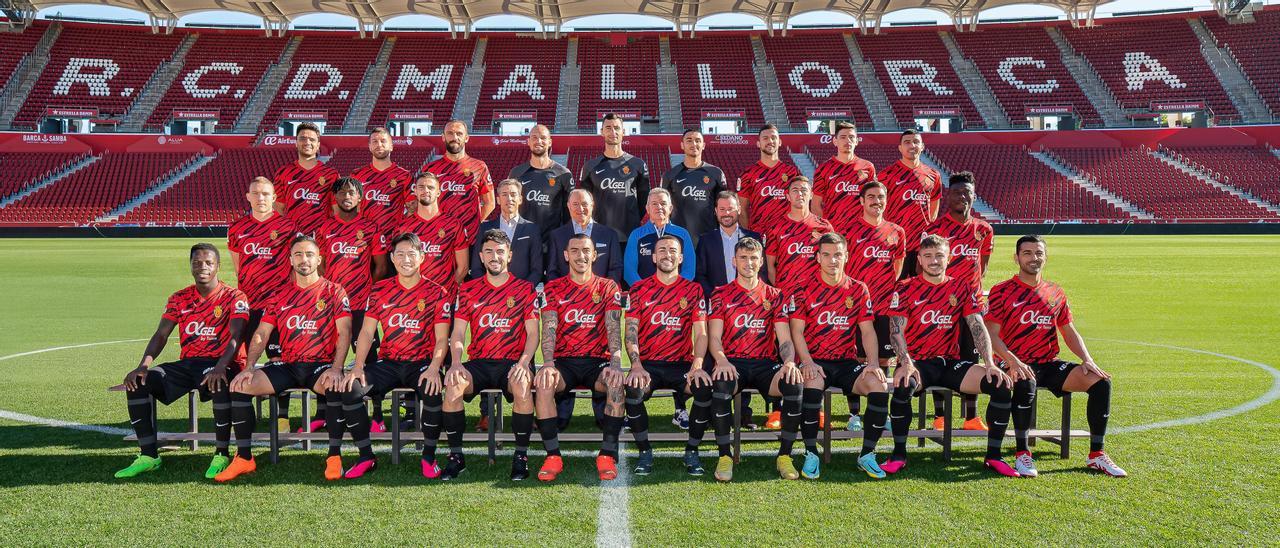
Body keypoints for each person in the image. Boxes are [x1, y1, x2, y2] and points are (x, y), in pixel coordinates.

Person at [882, 235, 1034, 478]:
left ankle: (993, 457)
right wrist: (905, 362)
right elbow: (896, 330)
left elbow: (977, 325)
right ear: (919, 259)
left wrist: (990, 364)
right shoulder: (905, 287)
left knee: (999, 384)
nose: (934, 261)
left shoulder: (961, 287)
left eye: (939, 255)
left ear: (949, 258)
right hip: (919, 362)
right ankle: (898, 454)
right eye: (928, 256)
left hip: (950, 363)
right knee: (902, 385)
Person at [985, 235, 1126, 477]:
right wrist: (1011, 361)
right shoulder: (1002, 291)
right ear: (1016, 258)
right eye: (1027, 253)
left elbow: (1069, 331)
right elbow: (991, 335)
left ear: (1045, 257)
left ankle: (1097, 455)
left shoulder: (1055, 292)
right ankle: (1022, 454)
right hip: (1014, 363)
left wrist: (1087, 360)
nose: (1034, 258)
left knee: (1101, 383)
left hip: (1048, 364)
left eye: (1038, 253)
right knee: (1025, 381)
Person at [215, 235, 353, 482]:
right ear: (290, 259)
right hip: (288, 365)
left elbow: (344, 332)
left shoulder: (334, 291)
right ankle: (244, 458)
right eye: (298, 255)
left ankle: (334, 457)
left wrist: (337, 368)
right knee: (240, 386)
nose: (304, 260)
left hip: (319, 365)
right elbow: (261, 334)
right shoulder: (280, 294)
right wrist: (247, 368)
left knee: (334, 386)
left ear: (319, 259)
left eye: (309, 254)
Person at [115, 244, 249, 480]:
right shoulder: (179, 298)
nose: (202, 267)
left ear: (218, 266)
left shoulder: (234, 296)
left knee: (218, 381)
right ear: (190, 266)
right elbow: (161, 335)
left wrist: (220, 367)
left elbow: (237, 336)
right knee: (139, 382)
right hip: (189, 363)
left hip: (222, 362)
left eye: (208, 262)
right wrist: (144, 364)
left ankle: (221, 453)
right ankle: (149, 456)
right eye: (197, 262)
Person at [336, 232, 453, 479]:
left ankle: (429, 458)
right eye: (400, 254)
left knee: (432, 389)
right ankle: (366, 457)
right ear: (391, 258)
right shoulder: (380, 290)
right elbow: (367, 332)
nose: (405, 259)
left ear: (422, 257)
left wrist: (434, 368)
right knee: (351, 388)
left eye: (411, 254)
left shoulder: (437, 292)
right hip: (389, 363)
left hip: (421, 363)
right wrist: (357, 366)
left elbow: (442, 338)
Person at [789, 233, 899, 480]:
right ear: (817, 257)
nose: (832, 260)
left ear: (847, 256)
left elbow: (868, 331)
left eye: (838, 254)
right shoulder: (803, 288)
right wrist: (806, 362)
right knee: (812, 383)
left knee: (878, 384)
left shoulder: (858, 289)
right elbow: (797, 331)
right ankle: (810, 452)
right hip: (815, 360)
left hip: (847, 363)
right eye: (826, 254)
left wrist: (872, 363)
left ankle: (867, 454)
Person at [440, 230, 541, 481]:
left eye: (499, 251)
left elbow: (532, 335)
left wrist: (523, 363)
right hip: (480, 363)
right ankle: (456, 456)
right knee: (452, 385)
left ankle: (520, 456)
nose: (494, 256)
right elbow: (459, 334)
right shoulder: (469, 290)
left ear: (509, 255)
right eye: (489, 252)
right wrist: (454, 363)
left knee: (521, 384)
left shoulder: (525, 289)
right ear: (481, 258)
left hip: (512, 362)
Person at [705, 237, 804, 482]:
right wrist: (721, 360)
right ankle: (725, 455)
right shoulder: (720, 294)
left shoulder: (775, 295)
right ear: (734, 261)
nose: (748, 263)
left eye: (753, 258)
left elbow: (784, 339)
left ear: (761, 262)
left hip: (764, 363)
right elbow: (714, 337)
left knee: (794, 384)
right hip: (733, 363)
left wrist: (789, 362)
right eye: (743, 258)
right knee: (721, 385)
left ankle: (784, 455)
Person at [533, 234, 626, 482]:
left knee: (616, 383)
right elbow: (549, 328)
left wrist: (616, 364)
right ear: (566, 256)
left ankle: (607, 454)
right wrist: (548, 364)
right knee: (544, 382)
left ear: (594, 255)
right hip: (564, 362)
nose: (581, 255)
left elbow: (613, 329)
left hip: (598, 361)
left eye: (586, 250)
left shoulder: (608, 287)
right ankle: (553, 455)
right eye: (574, 251)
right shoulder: (553, 288)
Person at [622, 235, 711, 475]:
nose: (667, 255)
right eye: (662, 250)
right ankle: (644, 452)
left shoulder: (693, 290)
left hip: (682, 365)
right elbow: (630, 333)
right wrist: (636, 365)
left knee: (704, 387)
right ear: (653, 257)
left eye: (672, 250)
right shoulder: (639, 289)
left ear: (681, 258)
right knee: (633, 389)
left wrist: (698, 364)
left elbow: (701, 333)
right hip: (648, 364)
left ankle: (692, 450)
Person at [311, 177, 388, 433]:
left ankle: (376, 413)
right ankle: (323, 411)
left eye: (351, 192)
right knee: (326, 355)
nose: (346, 196)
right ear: (335, 198)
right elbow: (319, 266)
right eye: (341, 192)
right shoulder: (324, 229)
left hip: (361, 306)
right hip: (331, 306)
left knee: (369, 358)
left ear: (359, 198)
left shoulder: (371, 227)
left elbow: (380, 266)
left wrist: (366, 291)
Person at [923, 172, 995, 431]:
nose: (962, 197)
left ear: (974, 197)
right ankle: (940, 416)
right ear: (947, 196)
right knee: (939, 357)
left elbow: (982, 267)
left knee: (970, 359)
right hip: (940, 306)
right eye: (957, 193)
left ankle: (971, 417)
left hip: (971, 305)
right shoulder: (934, 231)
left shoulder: (983, 229)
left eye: (967, 193)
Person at [693, 190, 766, 429]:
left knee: (745, 356)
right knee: (716, 357)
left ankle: (743, 413)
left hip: (748, 309)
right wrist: (718, 298)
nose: (727, 213)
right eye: (722, 209)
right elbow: (700, 276)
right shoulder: (706, 239)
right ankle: (716, 412)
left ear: (738, 210)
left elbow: (761, 274)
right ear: (715, 212)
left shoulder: (754, 237)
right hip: (719, 308)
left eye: (731, 209)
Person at [227, 177, 292, 430]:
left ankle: (283, 415)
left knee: (280, 360)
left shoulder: (287, 226)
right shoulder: (237, 228)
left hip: (279, 306)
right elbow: (238, 267)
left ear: (274, 197)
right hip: (250, 304)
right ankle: (247, 415)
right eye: (256, 193)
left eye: (266, 193)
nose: (261, 198)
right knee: (246, 361)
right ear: (248, 196)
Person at [841, 181, 906, 431]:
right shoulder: (849, 229)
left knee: (883, 359)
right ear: (861, 201)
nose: (876, 201)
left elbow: (897, 268)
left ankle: (882, 411)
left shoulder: (896, 231)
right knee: (857, 356)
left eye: (881, 196)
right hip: (856, 306)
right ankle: (854, 414)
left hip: (884, 306)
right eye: (871, 197)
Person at [877, 129, 941, 278]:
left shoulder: (933, 175)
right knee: (894, 287)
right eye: (907, 142)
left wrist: (926, 231)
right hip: (894, 242)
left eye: (916, 142)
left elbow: (934, 207)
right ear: (900, 147)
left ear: (922, 146)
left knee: (920, 289)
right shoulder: (887, 174)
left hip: (921, 244)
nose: (912, 145)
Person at [392, 173, 470, 291]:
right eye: (421, 187)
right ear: (415, 192)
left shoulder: (453, 225)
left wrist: (446, 291)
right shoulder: (402, 228)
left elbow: (463, 267)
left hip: (444, 298)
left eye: (431, 187)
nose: (426, 190)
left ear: (438, 192)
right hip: (413, 297)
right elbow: (399, 266)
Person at [579, 113, 650, 237]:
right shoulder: (590, 167)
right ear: (601, 132)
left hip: (630, 234)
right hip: (599, 234)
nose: (613, 132)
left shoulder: (638, 164)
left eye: (616, 128)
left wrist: (631, 219)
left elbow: (644, 201)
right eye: (608, 128)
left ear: (623, 131)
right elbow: (585, 202)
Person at [422, 120, 494, 234]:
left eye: (459, 133)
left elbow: (490, 203)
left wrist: (474, 224)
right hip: (439, 234)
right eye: (450, 133)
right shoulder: (430, 169)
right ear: (443, 137)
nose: (454, 137)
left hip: (469, 236)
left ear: (466, 138)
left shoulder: (479, 167)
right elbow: (422, 204)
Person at [273, 122, 341, 237]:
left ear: (318, 144)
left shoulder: (331, 175)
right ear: (296, 143)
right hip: (293, 239)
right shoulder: (283, 173)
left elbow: (337, 210)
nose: (307, 142)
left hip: (321, 240)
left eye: (312, 139)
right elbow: (278, 208)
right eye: (303, 138)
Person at [508, 124, 573, 244]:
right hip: (522, 241)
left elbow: (569, 212)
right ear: (528, 141)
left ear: (550, 142)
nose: (538, 141)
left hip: (552, 243)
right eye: (534, 137)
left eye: (543, 138)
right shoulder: (516, 173)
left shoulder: (563, 174)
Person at [469, 178, 542, 285]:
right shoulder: (485, 228)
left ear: (520, 199)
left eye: (513, 194)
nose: (509, 198)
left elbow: (537, 269)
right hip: (491, 295)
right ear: (498, 200)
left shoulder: (532, 229)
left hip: (521, 294)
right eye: (504, 194)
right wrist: (486, 289)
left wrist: (523, 290)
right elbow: (476, 267)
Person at [660, 129, 727, 242]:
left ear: (703, 145)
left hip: (709, 238)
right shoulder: (670, 175)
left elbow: (722, 207)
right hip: (678, 239)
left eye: (697, 140)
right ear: (682, 145)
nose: (694, 144)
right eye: (689, 140)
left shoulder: (716, 173)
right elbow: (663, 208)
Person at [811, 121, 877, 236]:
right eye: (843, 137)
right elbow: (816, 205)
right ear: (835, 141)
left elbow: (873, 201)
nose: (848, 141)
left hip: (861, 233)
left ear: (857, 141)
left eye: (852, 137)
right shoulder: (823, 169)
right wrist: (826, 230)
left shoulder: (868, 167)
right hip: (834, 234)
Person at [735, 124, 801, 236]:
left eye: (773, 137)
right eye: (765, 138)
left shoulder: (792, 173)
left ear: (779, 142)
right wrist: (750, 235)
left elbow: (799, 206)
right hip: (759, 236)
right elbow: (742, 210)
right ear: (758, 143)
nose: (770, 141)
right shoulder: (748, 174)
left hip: (786, 235)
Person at [547, 189, 623, 284]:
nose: (581, 209)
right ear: (568, 206)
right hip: (566, 296)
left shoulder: (609, 235)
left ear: (592, 205)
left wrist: (603, 290)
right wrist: (565, 291)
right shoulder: (556, 236)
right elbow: (552, 272)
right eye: (575, 204)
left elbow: (616, 269)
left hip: (600, 295)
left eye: (584, 204)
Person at [348, 127, 413, 239]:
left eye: (383, 141)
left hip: (392, 240)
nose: (379, 144)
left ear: (391, 146)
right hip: (364, 239)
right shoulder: (357, 175)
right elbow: (351, 209)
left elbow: (413, 208)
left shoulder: (404, 176)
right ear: (369, 146)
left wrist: (401, 230)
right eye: (375, 141)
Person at [624, 188, 695, 287]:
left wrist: (674, 290)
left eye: (663, 203)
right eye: (654, 204)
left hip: (675, 294)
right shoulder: (636, 235)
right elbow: (629, 272)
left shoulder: (682, 234)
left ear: (670, 208)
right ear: (647, 209)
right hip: (645, 295)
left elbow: (689, 269)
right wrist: (644, 290)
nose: (659, 207)